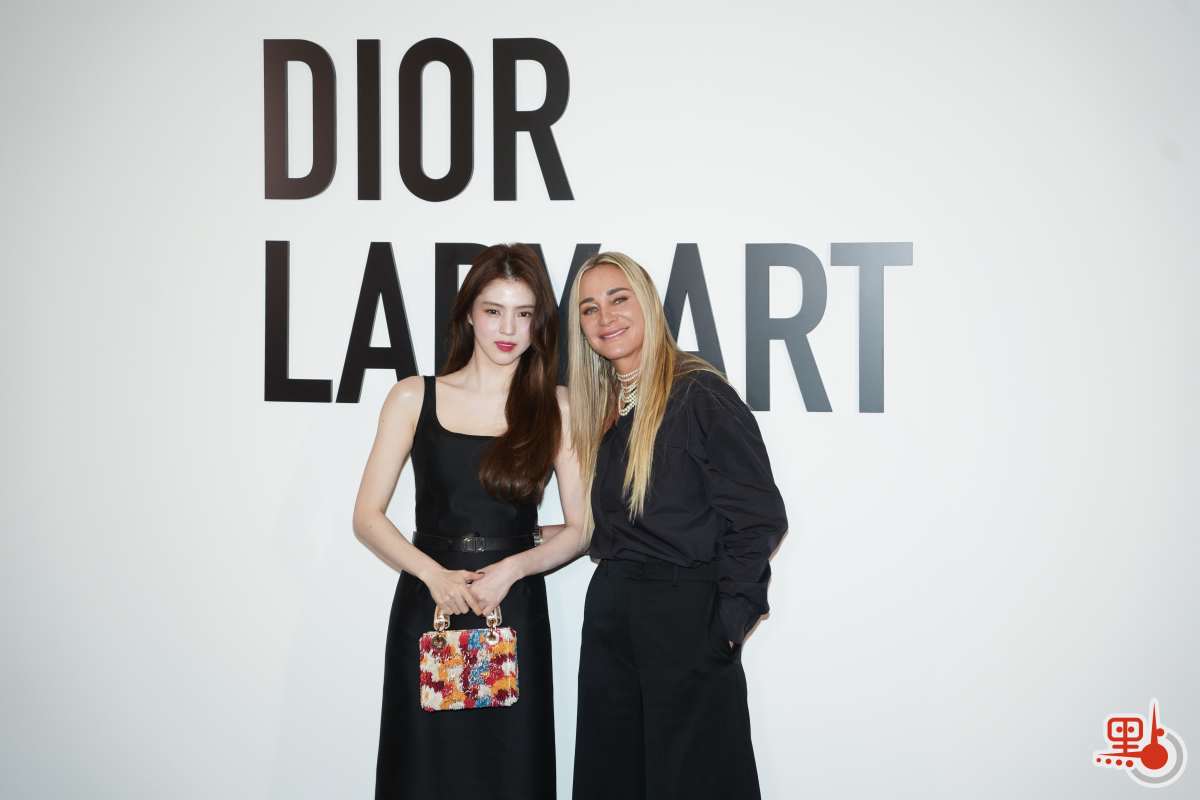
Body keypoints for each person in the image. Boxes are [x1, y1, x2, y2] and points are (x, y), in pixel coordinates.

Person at [351, 243, 584, 800]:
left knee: (509, 768)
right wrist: (434, 575)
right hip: (431, 605)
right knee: (425, 768)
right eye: (493, 310)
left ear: (538, 324)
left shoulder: (556, 406)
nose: (508, 328)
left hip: (511, 610)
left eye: (523, 314)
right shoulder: (414, 396)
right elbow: (367, 516)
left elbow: (583, 528)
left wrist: (514, 569)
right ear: (469, 315)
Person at [565, 251, 788, 800]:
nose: (605, 317)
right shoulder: (605, 404)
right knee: (614, 778)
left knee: (694, 781)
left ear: (647, 303)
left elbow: (759, 516)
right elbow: (608, 526)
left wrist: (726, 626)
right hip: (613, 616)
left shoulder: (699, 393)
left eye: (618, 299)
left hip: (685, 617)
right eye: (589, 308)